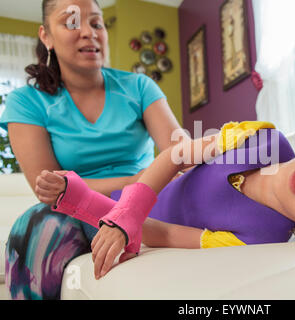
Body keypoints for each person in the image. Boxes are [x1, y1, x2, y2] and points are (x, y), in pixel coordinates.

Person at [40, 121, 295, 281]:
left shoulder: (260, 237)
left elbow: (162, 233)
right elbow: (173, 157)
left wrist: (90, 207)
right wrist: (124, 212)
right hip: (128, 199)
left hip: (102, 218)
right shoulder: (264, 138)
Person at [1, 0, 186, 300]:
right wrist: (138, 180)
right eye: (72, 22)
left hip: (145, 201)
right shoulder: (26, 102)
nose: (88, 32)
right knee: (37, 225)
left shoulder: (139, 87)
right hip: (75, 208)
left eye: (97, 23)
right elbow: (49, 190)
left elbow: (181, 156)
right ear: (45, 36)